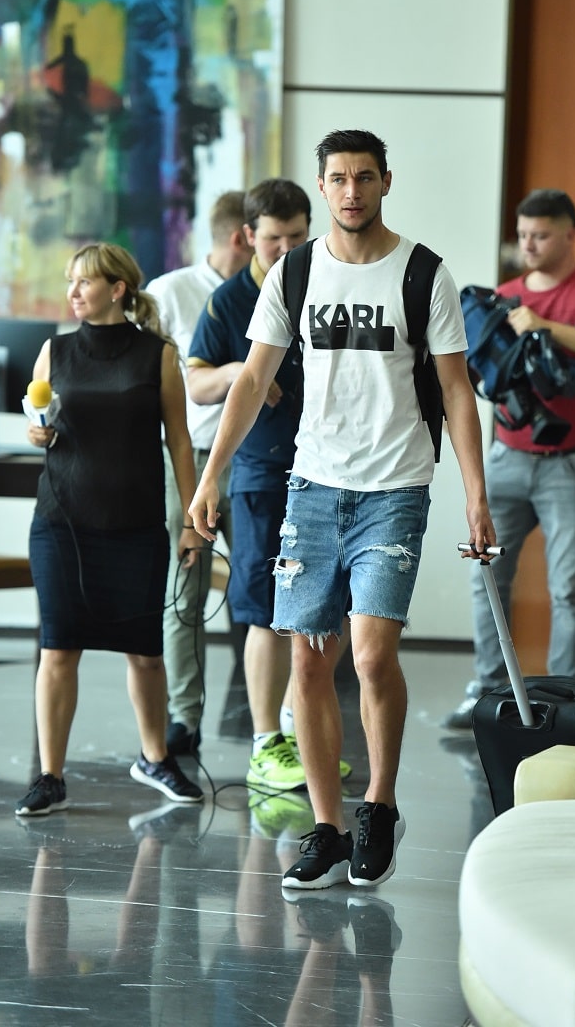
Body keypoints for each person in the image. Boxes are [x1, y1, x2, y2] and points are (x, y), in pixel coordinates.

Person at [188, 129, 495, 891]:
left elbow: (456, 389)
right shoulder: (294, 273)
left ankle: (378, 807)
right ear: (322, 186)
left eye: (364, 177)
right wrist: (210, 476)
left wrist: (476, 494)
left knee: (371, 656)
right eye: (339, 178)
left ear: (386, 181)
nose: (352, 191)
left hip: (395, 489)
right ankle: (326, 827)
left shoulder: (423, 273)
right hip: (312, 487)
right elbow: (251, 380)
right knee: (307, 658)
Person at [442, 188, 575, 729]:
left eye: (540, 235)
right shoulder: (503, 297)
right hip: (508, 458)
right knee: (487, 577)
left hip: (574, 463)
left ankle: (565, 703)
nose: (528, 245)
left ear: (568, 234)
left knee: (568, 589)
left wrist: (545, 327)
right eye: (523, 235)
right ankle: (488, 691)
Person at [15, 243, 204, 816]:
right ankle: (50, 776)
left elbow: (180, 442)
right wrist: (37, 433)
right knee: (58, 649)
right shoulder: (54, 351)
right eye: (70, 281)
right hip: (61, 522)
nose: (73, 292)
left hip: (136, 526)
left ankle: (155, 758)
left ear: (117, 289)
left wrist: (192, 519)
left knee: (145, 654)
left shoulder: (158, 355)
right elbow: (39, 419)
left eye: (84, 282)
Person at [187, 178, 350, 796]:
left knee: (324, 606)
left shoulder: (329, 282)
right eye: (274, 238)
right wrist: (243, 371)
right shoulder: (229, 301)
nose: (286, 249)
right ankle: (263, 744)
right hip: (259, 473)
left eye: (296, 236)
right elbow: (196, 383)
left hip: (329, 468)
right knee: (262, 608)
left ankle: (293, 730)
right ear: (247, 236)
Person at [148, 190, 253, 756]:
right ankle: (183, 719)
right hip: (189, 460)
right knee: (185, 589)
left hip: (257, 461)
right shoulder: (169, 292)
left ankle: (267, 721)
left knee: (259, 590)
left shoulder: (273, 291)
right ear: (243, 236)